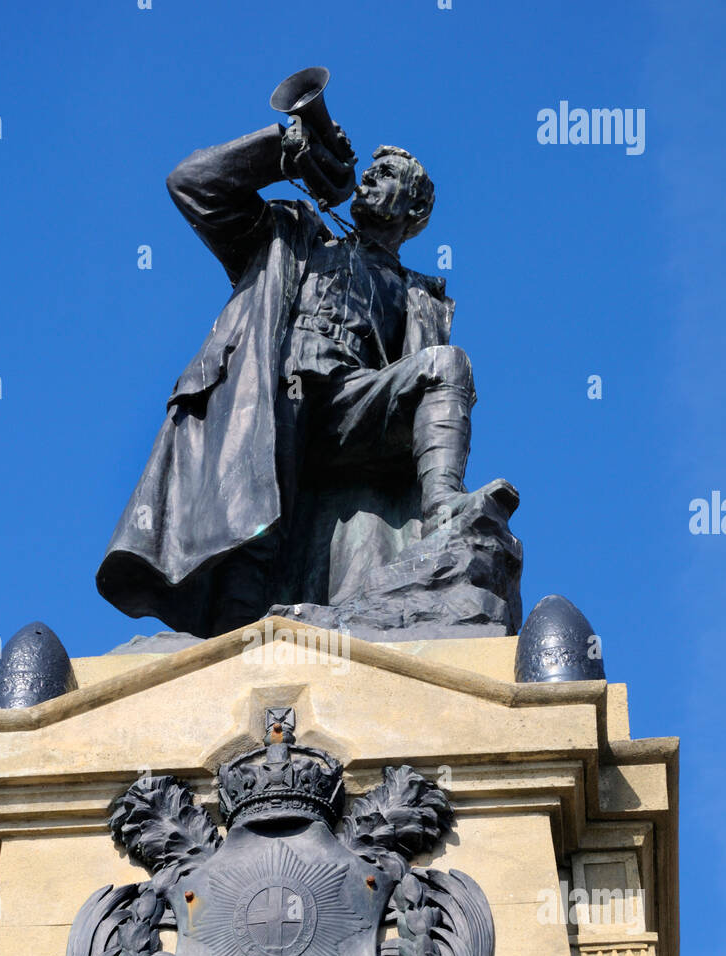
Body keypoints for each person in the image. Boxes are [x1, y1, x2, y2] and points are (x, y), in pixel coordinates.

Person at [97, 119, 515, 636]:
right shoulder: (288, 235)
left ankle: (443, 508)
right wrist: (285, 151)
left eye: (383, 175)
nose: (365, 180)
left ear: (415, 209)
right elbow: (191, 183)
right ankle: (231, 638)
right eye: (368, 170)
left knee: (446, 364)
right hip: (268, 395)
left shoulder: (418, 294)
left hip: (348, 409)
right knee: (257, 521)